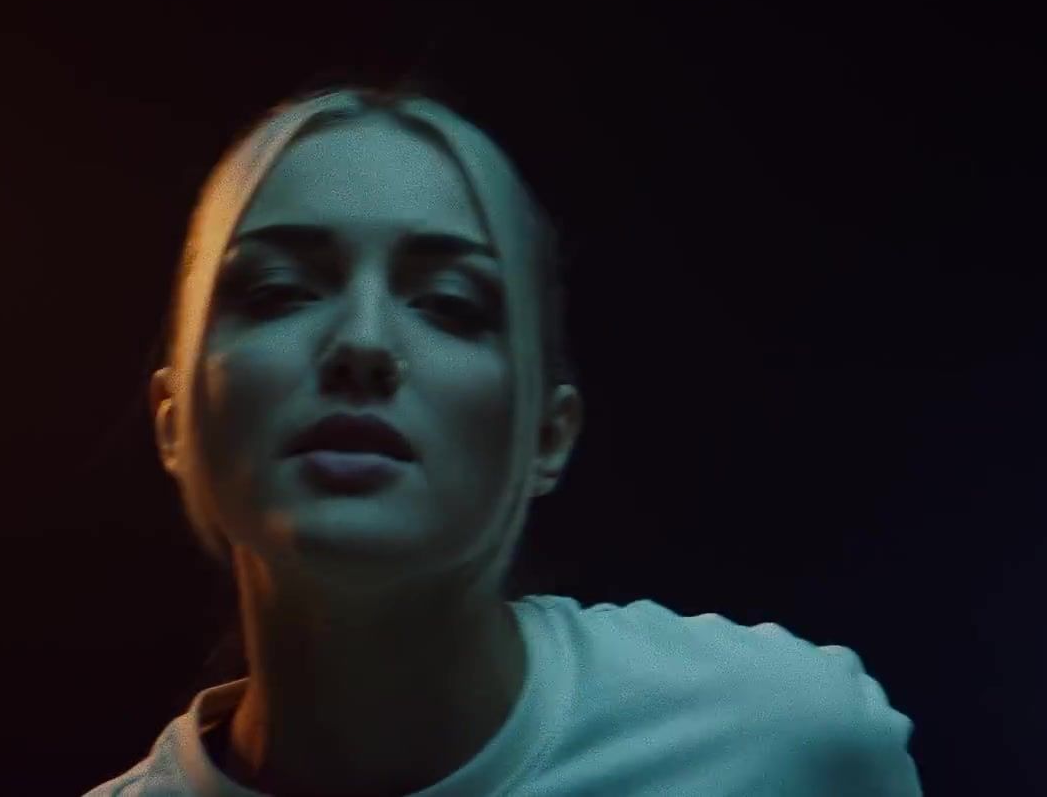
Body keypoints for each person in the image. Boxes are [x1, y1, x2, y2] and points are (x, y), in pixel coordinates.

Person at [86, 86, 922, 796]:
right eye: (278, 289)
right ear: (175, 417)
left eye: (451, 303)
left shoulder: (781, 744)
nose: (363, 342)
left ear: (547, 436)